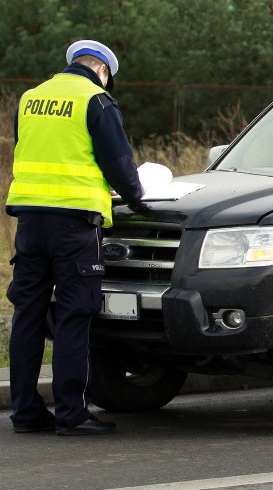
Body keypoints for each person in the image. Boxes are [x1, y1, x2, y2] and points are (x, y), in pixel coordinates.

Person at [5, 40, 144, 435]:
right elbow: (118, 162)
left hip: (29, 222)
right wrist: (136, 195)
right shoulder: (96, 100)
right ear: (103, 71)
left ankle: (26, 413)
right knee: (73, 314)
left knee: (28, 315)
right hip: (75, 225)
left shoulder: (31, 98)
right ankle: (71, 413)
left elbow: (26, 148)